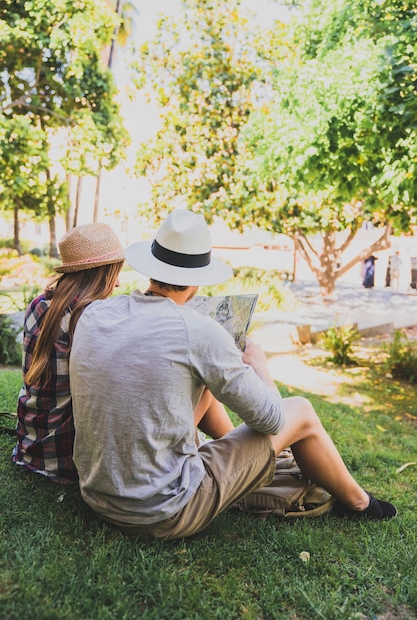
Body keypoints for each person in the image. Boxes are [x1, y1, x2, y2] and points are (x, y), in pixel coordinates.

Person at [70, 210, 397, 539]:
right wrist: (259, 367)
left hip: (97, 497)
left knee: (204, 383)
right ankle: (358, 502)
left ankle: (254, 467)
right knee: (300, 410)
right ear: (197, 281)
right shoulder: (198, 330)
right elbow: (271, 420)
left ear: (151, 267)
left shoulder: (95, 313)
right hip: (161, 512)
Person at [12, 223, 125, 484]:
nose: (118, 283)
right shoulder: (92, 317)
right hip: (66, 458)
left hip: (31, 447)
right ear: (99, 274)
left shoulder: (38, 305)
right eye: (114, 273)